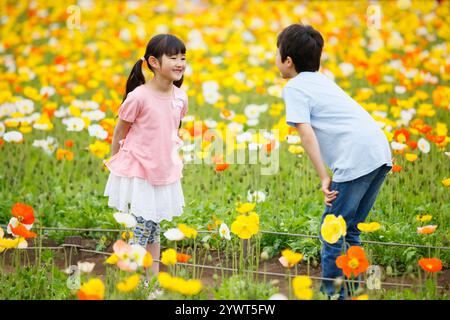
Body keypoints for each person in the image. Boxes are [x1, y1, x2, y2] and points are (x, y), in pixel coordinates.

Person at [275, 24, 392, 299]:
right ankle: (351, 293)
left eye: (276, 52)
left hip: (355, 159)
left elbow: (306, 133)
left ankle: (333, 295)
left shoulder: (294, 88)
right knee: (350, 230)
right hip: (379, 152)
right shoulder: (322, 79)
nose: (275, 58)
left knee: (331, 232)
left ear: (288, 61)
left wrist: (323, 176)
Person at [103, 34, 188, 290]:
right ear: (153, 62)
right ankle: (129, 282)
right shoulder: (138, 97)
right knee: (140, 229)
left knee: (154, 229)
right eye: (173, 58)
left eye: (183, 58)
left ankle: (151, 283)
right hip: (138, 171)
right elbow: (120, 131)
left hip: (162, 171)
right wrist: (116, 160)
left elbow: (172, 130)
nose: (180, 63)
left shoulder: (180, 98)